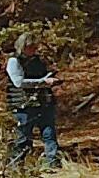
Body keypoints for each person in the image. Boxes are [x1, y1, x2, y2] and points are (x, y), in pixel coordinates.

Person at [4, 34, 60, 169]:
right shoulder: (14, 61)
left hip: (43, 103)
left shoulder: (37, 61)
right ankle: (15, 168)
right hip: (23, 105)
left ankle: (53, 165)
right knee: (22, 139)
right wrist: (42, 82)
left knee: (49, 135)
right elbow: (19, 82)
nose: (34, 50)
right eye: (31, 47)